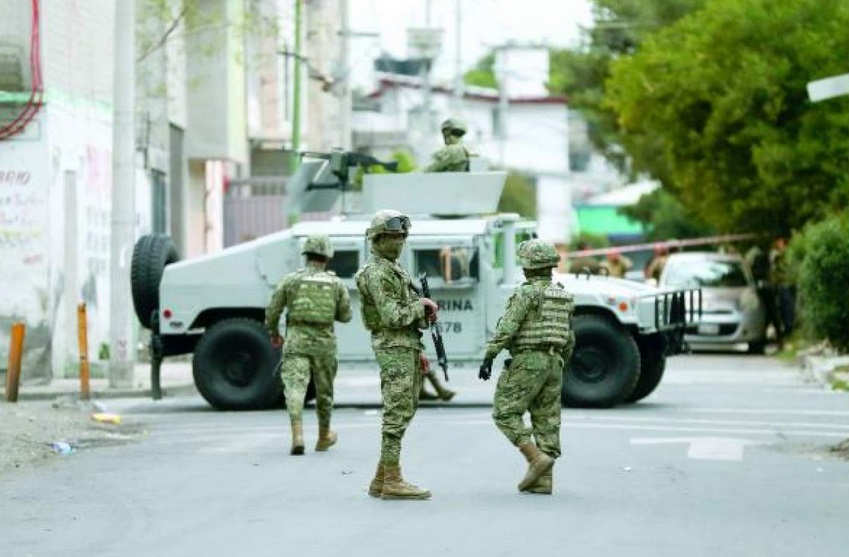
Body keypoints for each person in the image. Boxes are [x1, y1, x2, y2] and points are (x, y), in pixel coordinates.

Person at [478, 239, 575, 495]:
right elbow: (569, 336)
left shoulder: (526, 293)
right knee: (547, 419)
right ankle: (544, 480)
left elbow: (508, 327)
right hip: (555, 362)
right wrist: (561, 361)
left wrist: (489, 355)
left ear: (528, 266)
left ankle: (535, 459)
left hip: (529, 359)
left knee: (504, 412)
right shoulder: (563, 295)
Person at [355, 209, 438, 500]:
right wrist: (421, 305)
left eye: (402, 236)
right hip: (393, 344)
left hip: (405, 344)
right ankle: (392, 479)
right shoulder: (377, 271)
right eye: (392, 237)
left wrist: (418, 348)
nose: (399, 241)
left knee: (406, 407)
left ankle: (381, 478)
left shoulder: (392, 268)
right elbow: (391, 316)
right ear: (376, 239)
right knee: (397, 411)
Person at [265, 234, 353, 455]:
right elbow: (345, 316)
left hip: (296, 341)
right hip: (324, 343)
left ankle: (298, 436)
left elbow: (272, 311)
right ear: (328, 257)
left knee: (295, 388)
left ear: (306, 255)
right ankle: (324, 437)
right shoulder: (336, 284)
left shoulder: (291, 280)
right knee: (325, 391)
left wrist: (275, 333)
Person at [744, 243, 782, 347]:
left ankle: (763, 339)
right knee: (772, 314)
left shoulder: (754, 255)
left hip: (760, 288)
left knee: (766, 314)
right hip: (767, 288)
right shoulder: (762, 256)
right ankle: (776, 339)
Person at [770, 237, 796, 338]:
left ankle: (789, 327)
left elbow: (785, 269)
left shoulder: (786, 255)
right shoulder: (780, 255)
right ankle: (786, 327)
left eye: (780, 243)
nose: (778, 245)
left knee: (788, 306)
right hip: (781, 284)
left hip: (786, 283)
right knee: (783, 307)